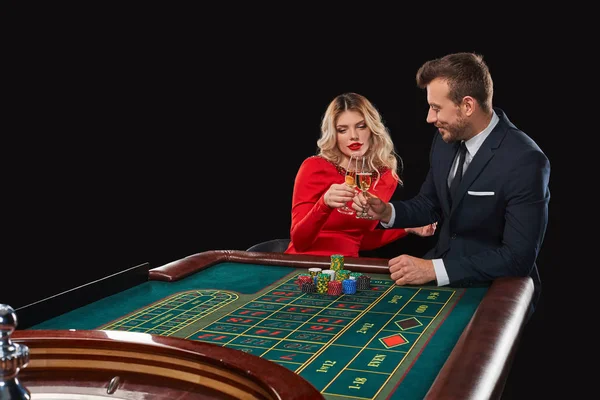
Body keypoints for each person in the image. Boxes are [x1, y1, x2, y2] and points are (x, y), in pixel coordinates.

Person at [353, 52, 550, 312]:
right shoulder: (445, 140)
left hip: (495, 289)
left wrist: (433, 269)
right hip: (440, 268)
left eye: (436, 108)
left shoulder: (525, 160)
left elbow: (517, 258)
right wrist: (387, 211)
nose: (429, 118)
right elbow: (429, 203)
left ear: (467, 106)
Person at [284, 92, 436, 257]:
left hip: (346, 269)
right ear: (334, 135)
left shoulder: (384, 177)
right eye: (342, 130)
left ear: (372, 129)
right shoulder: (314, 167)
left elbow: (358, 238)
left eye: (361, 126)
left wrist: (406, 228)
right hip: (303, 265)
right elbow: (299, 241)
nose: (353, 136)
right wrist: (324, 204)